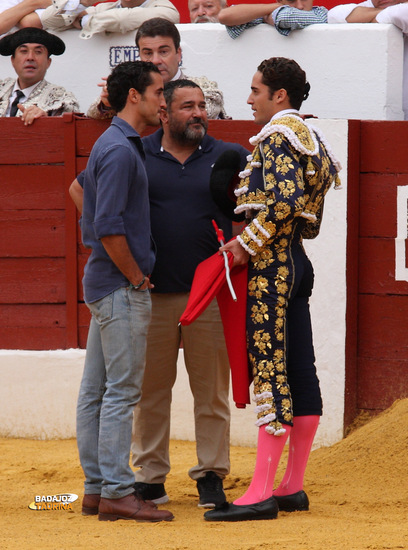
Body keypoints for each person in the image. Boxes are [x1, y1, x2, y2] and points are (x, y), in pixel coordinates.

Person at [204, 57, 341, 522]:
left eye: (256, 90)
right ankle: (291, 486)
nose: (249, 99)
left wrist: (247, 244)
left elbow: (282, 204)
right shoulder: (313, 139)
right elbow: (310, 216)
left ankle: (260, 492)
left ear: (278, 96)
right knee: (300, 367)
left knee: (271, 368)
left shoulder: (278, 138)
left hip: (271, 268)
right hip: (298, 261)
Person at [131, 79, 248, 508]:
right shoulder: (137, 152)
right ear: (164, 113)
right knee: (150, 391)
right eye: (187, 107)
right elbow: (84, 191)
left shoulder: (230, 155)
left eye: (202, 106)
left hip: (211, 292)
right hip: (153, 292)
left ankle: (211, 474)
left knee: (211, 391)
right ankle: (149, 476)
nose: (198, 113)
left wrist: (244, 243)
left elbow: (265, 206)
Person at [75, 60, 173, 522]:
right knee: (121, 392)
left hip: (104, 281)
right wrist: (136, 276)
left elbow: (79, 193)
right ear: (134, 95)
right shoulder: (119, 150)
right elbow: (110, 227)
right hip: (118, 285)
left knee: (97, 390)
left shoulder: (113, 144)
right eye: (158, 92)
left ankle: (97, 488)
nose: (163, 100)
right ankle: (116, 489)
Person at [87, 17, 228, 119]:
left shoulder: (204, 87)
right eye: (148, 53)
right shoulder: (132, 89)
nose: (155, 61)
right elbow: (92, 113)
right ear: (140, 56)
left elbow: (205, 111)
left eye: (163, 52)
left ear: (178, 54)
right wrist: (109, 102)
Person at [328, 0, 408, 119]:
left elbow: (401, 13)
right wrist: (383, 15)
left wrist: (368, 17)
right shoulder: (371, 6)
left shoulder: (366, 12)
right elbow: (334, 15)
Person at [0, 27, 79, 124]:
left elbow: (67, 132)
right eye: (24, 51)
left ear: (48, 62)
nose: (30, 58)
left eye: (38, 52)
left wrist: (46, 121)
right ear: (12, 60)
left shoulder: (62, 99)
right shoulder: (2, 89)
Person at [39, 0, 179, 40]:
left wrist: (85, 21)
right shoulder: (104, 8)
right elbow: (49, 20)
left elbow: (123, 19)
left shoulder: (165, 8)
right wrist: (83, 2)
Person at [218, 0, 328, 38]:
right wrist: (275, 8)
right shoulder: (271, 13)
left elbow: (286, 18)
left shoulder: (321, 13)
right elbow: (225, 16)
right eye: (291, 0)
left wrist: (268, 16)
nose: (299, 6)